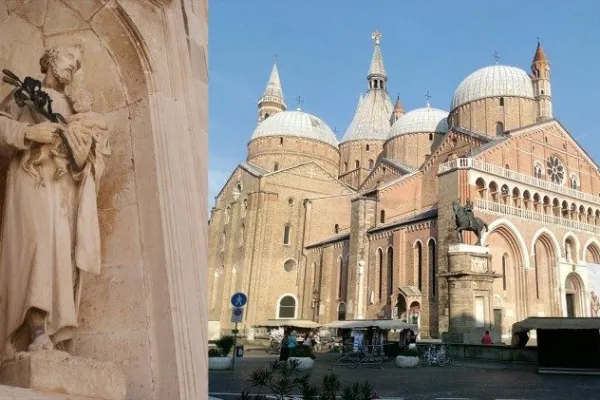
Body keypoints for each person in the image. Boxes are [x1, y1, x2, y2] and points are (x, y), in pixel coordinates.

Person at [0, 44, 110, 359]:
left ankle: (51, 332)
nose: (74, 65)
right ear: (50, 59)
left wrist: (82, 156)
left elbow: (88, 159)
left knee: (61, 257)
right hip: (30, 179)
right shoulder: (24, 93)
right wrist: (29, 132)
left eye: (78, 63)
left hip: (62, 191)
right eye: (69, 58)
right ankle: (33, 332)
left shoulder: (73, 108)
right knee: (36, 248)